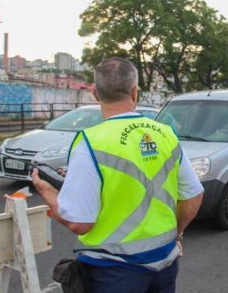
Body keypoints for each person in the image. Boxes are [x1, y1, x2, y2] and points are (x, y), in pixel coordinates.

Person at [32, 57, 204, 293]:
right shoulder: (167, 134)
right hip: (164, 265)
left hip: (113, 272)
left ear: (94, 92)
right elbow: (193, 196)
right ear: (135, 92)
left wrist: (47, 191)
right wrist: (177, 233)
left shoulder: (90, 142)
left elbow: (79, 222)